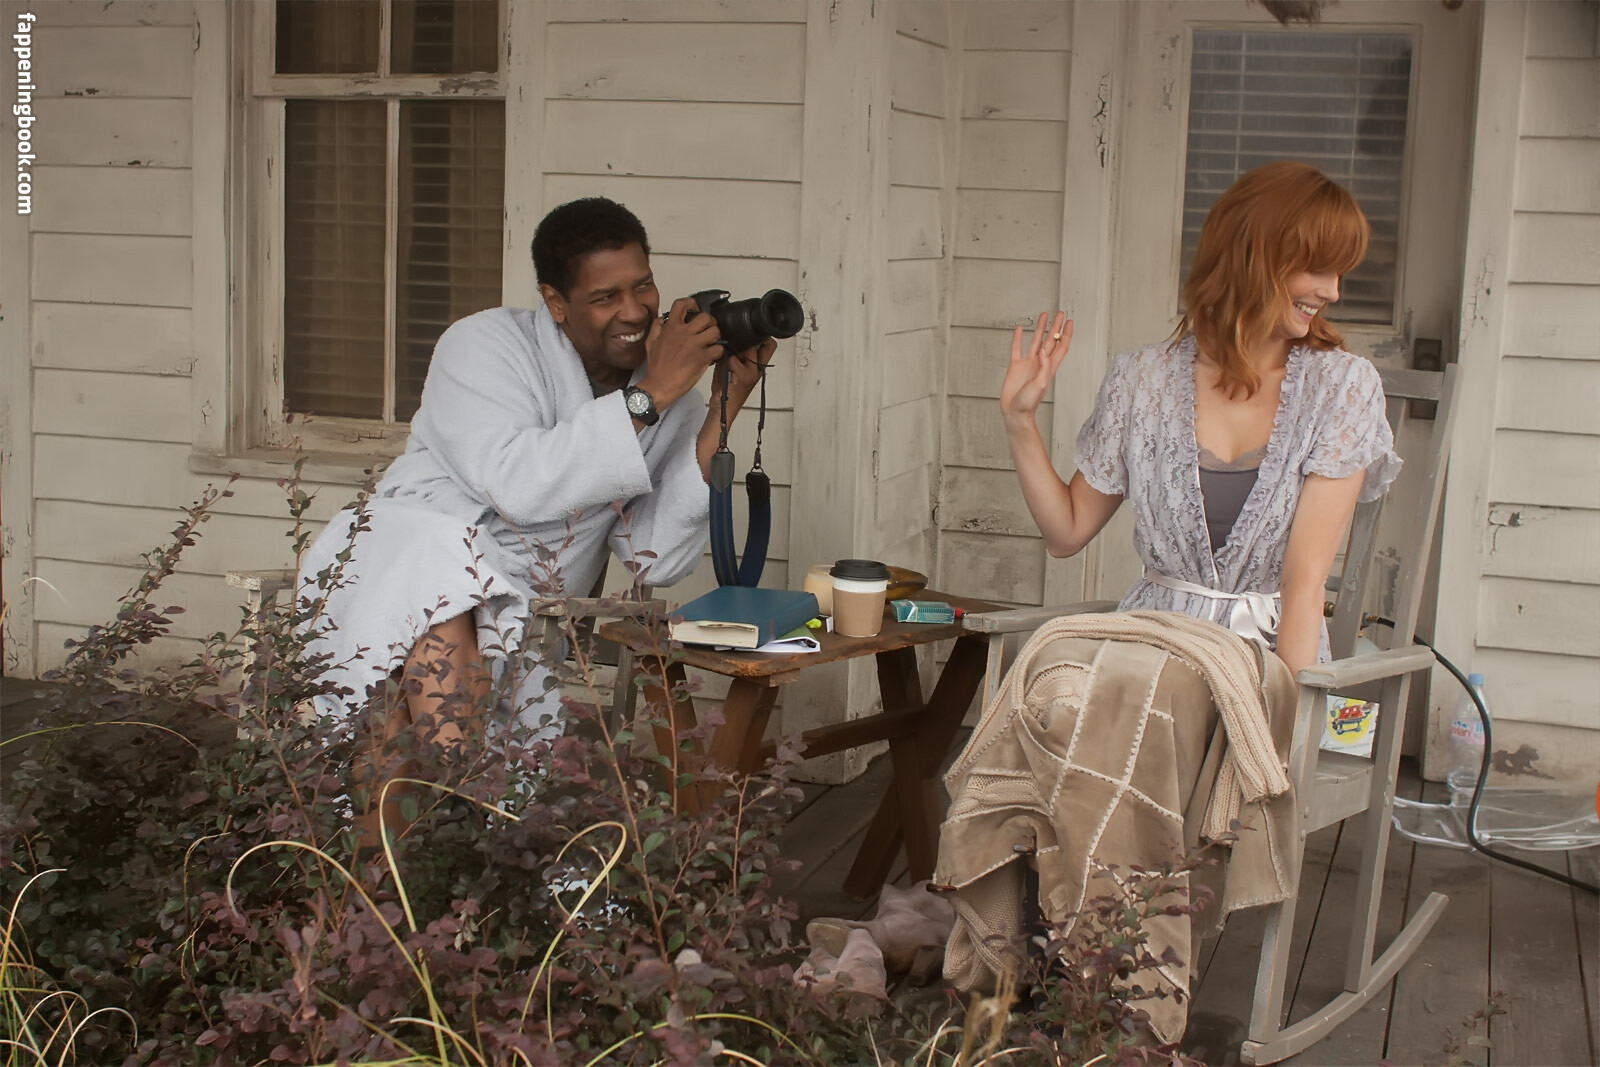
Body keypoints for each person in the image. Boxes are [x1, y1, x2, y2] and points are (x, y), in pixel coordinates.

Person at [296, 196, 775, 807]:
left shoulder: (669, 395)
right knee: (443, 587)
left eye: (643, 286)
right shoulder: (483, 344)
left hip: (512, 598)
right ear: (555, 302)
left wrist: (724, 402)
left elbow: (655, 556)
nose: (634, 310)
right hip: (404, 553)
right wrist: (650, 395)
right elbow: (517, 484)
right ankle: (460, 817)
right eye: (605, 297)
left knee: (415, 672)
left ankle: (427, 833)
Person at [999, 161, 1401, 678]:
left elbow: (1303, 587)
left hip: (1265, 668)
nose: (1333, 292)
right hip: (1148, 660)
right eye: (1318, 269)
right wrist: (1020, 421)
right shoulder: (1142, 379)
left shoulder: (1342, 388)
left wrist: (1288, 721)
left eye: (1340, 273)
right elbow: (1067, 533)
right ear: (1255, 257)